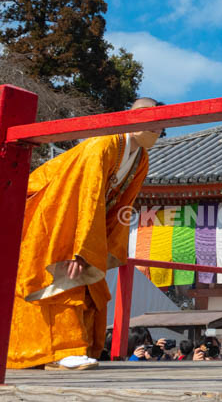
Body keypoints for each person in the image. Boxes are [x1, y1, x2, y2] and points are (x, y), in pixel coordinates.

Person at [6, 98, 163, 371]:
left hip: (85, 223)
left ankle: (60, 350)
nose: (154, 129)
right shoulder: (103, 144)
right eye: (148, 119)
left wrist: (107, 247)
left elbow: (123, 206)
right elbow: (86, 197)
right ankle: (61, 351)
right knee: (61, 280)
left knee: (90, 286)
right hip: (56, 213)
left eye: (160, 125)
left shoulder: (141, 159)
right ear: (130, 117)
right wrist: (81, 249)